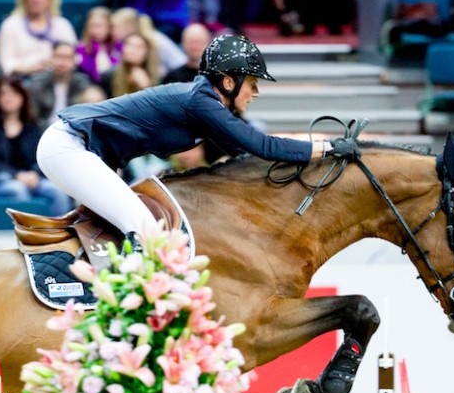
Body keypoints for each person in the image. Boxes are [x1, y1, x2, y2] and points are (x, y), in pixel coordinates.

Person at [36, 34, 343, 244]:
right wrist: (329, 148)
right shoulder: (201, 101)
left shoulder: (204, 105)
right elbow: (263, 146)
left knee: (134, 226)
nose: (256, 92)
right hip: (68, 147)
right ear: (228, 81)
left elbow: (247, 154)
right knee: (147, 231)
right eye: (252, 83)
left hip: (80, 151)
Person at [0, 75, 68, 215]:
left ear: (22, 97)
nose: (8, 98)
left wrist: (34, 173)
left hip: (31, 178)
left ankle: (59, 233)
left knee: (56, 191)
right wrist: (16, 175)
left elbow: (41, 156)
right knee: (17, 190)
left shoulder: (33, 126)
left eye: (14, 93)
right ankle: (27, 233)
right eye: (3, 93)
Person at [0, 0, 77, 77]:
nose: (36, 0)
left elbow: (74, 57)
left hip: (55, 80)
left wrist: (56, 64)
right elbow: (6, 62)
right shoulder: (10, 25)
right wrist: (30, 69)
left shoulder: (62, 25)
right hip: (21, 81)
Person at [26, 40, 92, 126]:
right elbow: (34, 117)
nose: (62, 62)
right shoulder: (38, 82)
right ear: (52, 58)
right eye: (59, 57)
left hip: (74, 130)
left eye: (67, 57)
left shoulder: (82, 82)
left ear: (74, 61)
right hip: (43, 131)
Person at [110, 7, 186, 79]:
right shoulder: (121, 44)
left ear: (129, 27)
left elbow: (180, 62)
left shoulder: (155, 39)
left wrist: (167, 77)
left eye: (116, 27)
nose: (112, 32)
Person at [100, 32, 159, 99]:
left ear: (147, 53)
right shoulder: (109, 76)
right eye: (128, 45)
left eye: (138, 47)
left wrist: (146, 87)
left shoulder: (157, 77)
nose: (131, 50)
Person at [76, 6, 119, 84]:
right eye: (91, 26)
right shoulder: (81, 49)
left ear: (109, 27)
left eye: (99, 26)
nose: (95, 30)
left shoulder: (118, 47)